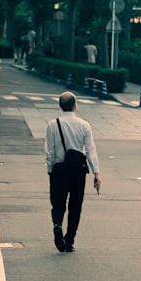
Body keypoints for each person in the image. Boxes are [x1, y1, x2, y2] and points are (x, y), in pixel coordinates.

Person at [44, 92, 102, 252]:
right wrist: (96, 173)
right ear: (75, 105)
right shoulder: (84, 125)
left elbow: (49, 152)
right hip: (78, 171)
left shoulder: (52, 124)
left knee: (58, 203)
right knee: (75, 205)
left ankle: (57, 226)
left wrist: (50, 170)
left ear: (59, 106)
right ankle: (69, 240)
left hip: (59, 169)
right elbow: (90, 150)